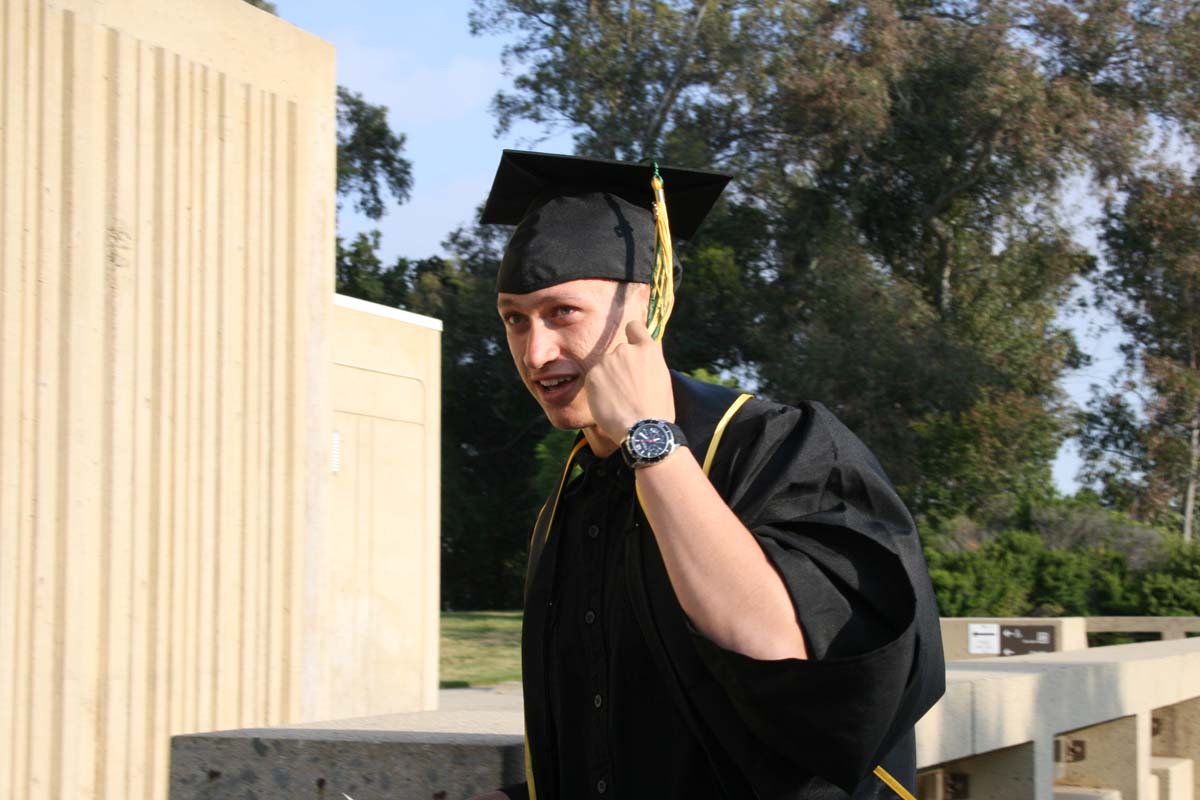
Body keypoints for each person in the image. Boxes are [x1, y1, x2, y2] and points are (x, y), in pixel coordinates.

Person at [469, 150, 945, 800]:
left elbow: (789, 657)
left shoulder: (784, 450)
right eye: (514, 319)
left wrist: (650, 440)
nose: (535, 352)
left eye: (562, 313)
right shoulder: (569, 503)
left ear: (648, 308)